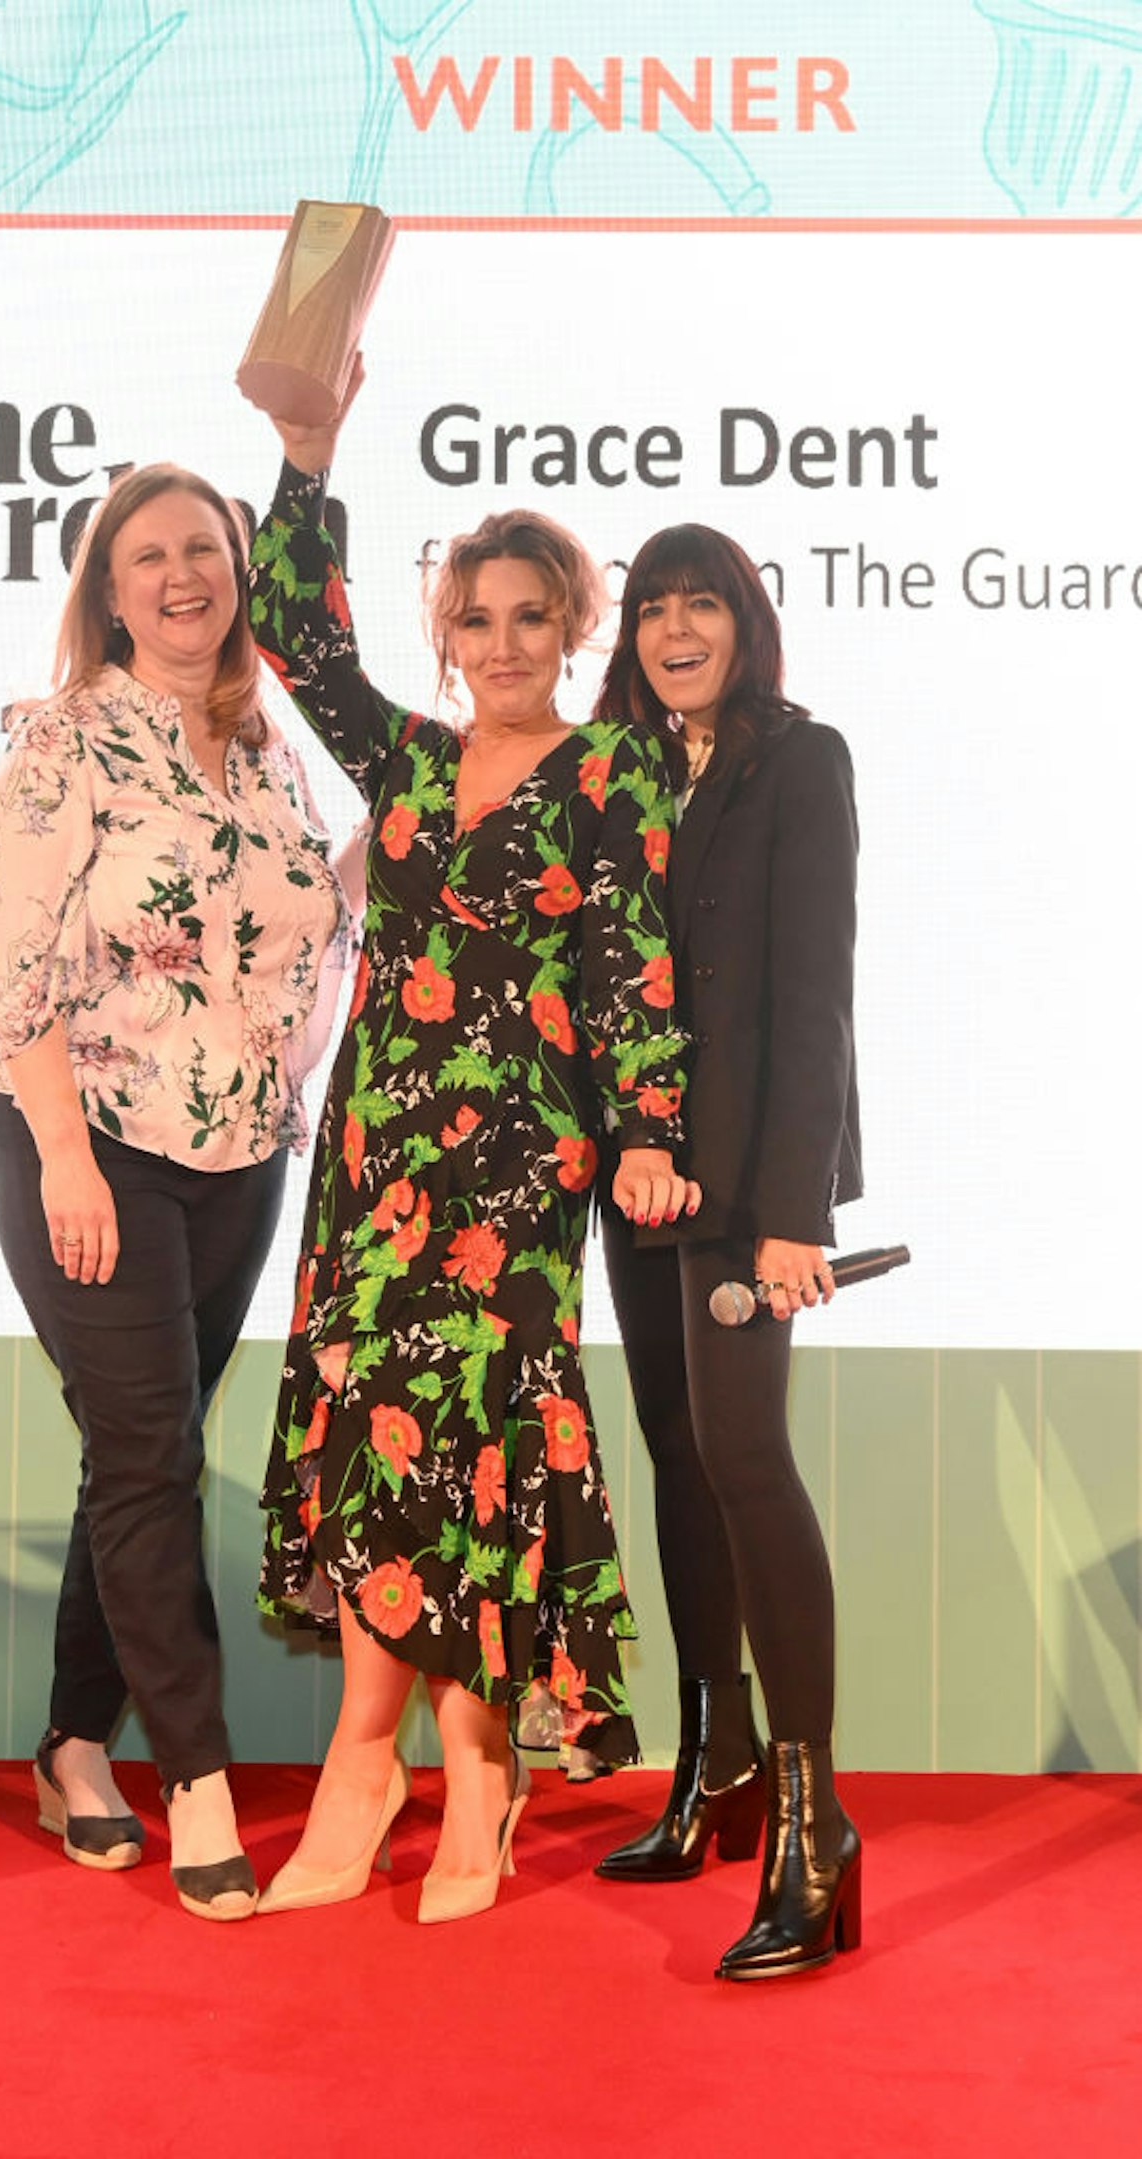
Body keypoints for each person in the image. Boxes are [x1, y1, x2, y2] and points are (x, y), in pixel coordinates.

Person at [244, 369, 696, 1924]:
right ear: (447, 631)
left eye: (531, 616)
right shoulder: (414, 762)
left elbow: (635, 957)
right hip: (379, 1147)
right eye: (477, 618)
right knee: (376, 1419)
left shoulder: (615, 771)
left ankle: (478, 1758)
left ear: (575, 626)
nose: (502, 644)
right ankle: (363, 1761)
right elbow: (294, 635)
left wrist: (644, 1130)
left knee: (483, 1436)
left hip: (520, 1154)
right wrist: (307, 454)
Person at [0, 461, 349, 1922]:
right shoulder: (64, 740)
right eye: (149, 554)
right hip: (86, 1133)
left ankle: (74, 1744)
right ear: (107, 586)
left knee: (146, 1448)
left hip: (239, 1148)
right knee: (145, 1454)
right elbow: (13, 977)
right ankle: (193, 1775)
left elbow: (307, 912)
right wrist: (64, 1156)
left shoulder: (267, 747)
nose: (182, 573)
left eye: (206, 548)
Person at [590, 522, 863, 1980]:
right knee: (679, 1449)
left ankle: (815, 1829)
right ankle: (719, 1764)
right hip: (638, 1183)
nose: (674, 628)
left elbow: (815, 991)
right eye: (650, 608)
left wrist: (794, 1212)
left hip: (750, 1188)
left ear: (745, 621)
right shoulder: (626, 772)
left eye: (702, 603)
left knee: (747, 1456)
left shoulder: (798, 761)